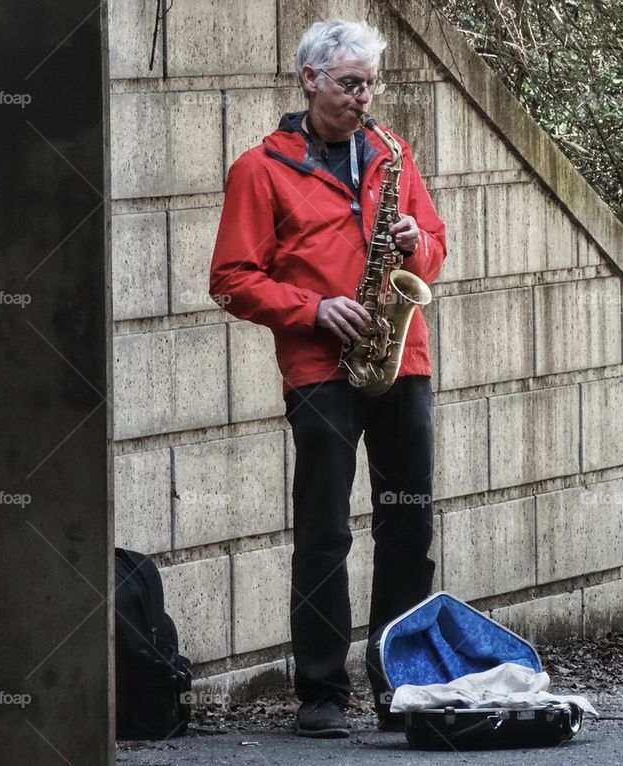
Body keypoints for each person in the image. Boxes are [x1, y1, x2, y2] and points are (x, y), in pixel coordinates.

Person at [208, 19, 447, 737]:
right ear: (309, 80)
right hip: (319, 366)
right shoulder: (260, 168)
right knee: (324, 532)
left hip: (399, 357)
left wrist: (418, 244)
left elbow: (436, 246)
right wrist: (312, 308)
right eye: (349, 84)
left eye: (370, 83)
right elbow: (229, 280)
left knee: (408, 526)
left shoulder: (393, 152)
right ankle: (320, 694)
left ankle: (399, 684)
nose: (363, 97)